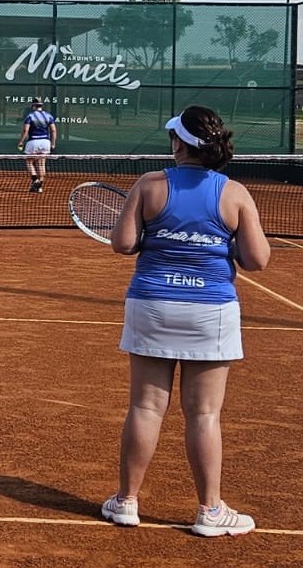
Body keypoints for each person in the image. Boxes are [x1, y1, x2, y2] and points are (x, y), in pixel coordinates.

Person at [101, 105, 270, 536]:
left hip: (152, 304)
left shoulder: (149, 184)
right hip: (210, 311)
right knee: (204, 414)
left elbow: (122, 245)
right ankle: (210, 512)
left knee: (144, 406)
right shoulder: (234, 192)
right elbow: (257, 260)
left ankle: (126, 502)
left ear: (179, 143)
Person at [16, 98, 56, 193]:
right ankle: (39, 186)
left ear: (33, 105)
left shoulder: (30, 116)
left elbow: (25, 130)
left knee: (29, 162)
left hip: (33, 141)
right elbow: (53, 130)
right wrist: (53, 143)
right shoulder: (48, 116)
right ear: (41, 105)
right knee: (41, 164)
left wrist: (21, 142)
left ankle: (35, 181)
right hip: (46, 142)